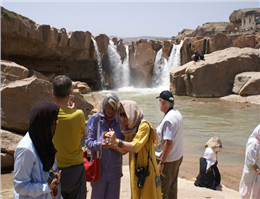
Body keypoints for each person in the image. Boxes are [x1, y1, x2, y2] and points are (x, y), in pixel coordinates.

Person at [104, 100, 162, 199]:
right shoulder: (130, 129)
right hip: (137, 171)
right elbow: (124, 150)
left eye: (124, 114)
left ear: (131, 112)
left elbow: (134, 146)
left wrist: (116, 141)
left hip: (147, 172)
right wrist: (112, 143)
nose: (122, 118)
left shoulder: (144, 126)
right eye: (121, 115)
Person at [13, 101, 62, 198]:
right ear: (44, 124)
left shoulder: (46, 141)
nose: (55, 126)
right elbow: (20, 186)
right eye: (53, 122)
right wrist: (46, 187)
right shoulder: (26, 150)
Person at [52, 75, 87, 199]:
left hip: (55, 170)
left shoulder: (49, 116)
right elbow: (80, 136)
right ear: (70, 94)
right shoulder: (79, 114)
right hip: (75, 170)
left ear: (53, 93)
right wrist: (72, 111)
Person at [85, 93, 124, 199]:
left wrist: (115, 143)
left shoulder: (119, 122)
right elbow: (88, 142)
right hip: (99, 170)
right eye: (108, 107)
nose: (110, 111)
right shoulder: (95, 119)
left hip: (115, 171)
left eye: (113, 108)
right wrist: (101, 144)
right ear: (104, 106)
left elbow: (125, 145)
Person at [154, 90, 183, 199]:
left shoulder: (168, 120)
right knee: (172, 187)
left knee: (162, 190)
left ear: (162, 102)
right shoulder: (177, 113)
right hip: (177, 157)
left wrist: (162, 162)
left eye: (159, 101)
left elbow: (169, 142)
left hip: (168, 160)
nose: (159, 104)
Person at [239, 124, 260, 199]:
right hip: (251, 171)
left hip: (256, 172)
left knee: (255, 190)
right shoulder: (253, 143)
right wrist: (257, 169)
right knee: (247, 191)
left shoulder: (258, 142)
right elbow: (249, 160)